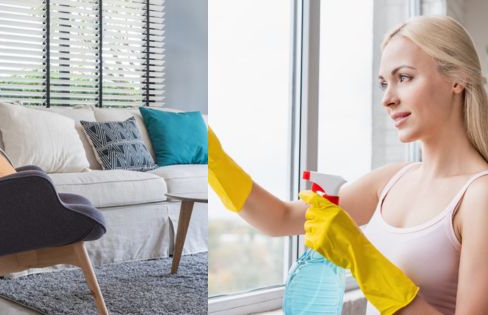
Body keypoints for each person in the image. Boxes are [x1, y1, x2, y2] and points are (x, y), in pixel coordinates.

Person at [209, 15, 488, 315]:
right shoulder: (391, 181)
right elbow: (280, 218)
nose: (387, 99)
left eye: (404, 77)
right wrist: (212, 158)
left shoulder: (479, 196)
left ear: (457, 78)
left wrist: (361, 256)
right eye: (383, 83)